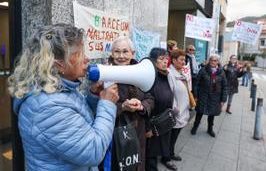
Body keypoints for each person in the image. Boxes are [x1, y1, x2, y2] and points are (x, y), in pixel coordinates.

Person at [7, 24, 119, 170]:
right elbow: (93, 151)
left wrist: (92, 97)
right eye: (79, 53)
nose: (87, 58)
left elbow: (76, 119)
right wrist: (107, 105)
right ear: (58, 64)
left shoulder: (56, 89)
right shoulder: (46, 108)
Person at [109, 36, 154, 171]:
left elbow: (150, 98)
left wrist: (141, 106)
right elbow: (100, 105)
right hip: (116, 130)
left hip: (138, 129)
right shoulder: (106, 73)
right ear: (112, 53)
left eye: (125, 51)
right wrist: (122, 107)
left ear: (132, 53)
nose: (121, 56)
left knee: (137, 163)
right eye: (117, 52)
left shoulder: (142, 71)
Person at [145, 48, 177, 171]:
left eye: (166, 59)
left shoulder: (166, 75)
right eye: (161, 59)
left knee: (160, 148)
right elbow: (146, 104)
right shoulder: (150, 77)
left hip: (164, 122)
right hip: (153, 124)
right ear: (153, 61)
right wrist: (148, 128)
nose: (165, 62)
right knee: (151, 154)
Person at [191, 54, 227, 137]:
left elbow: (225, 86)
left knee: (212, 114)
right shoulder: (203, 70)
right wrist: (195, 96)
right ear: (209, 61)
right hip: (203, 96)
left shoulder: (221, 72)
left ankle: (210, 129)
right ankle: (195, 127)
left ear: (218, 62)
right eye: (211, 60)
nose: (212, 62)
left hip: (215, 97)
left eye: (215, 60)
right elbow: (196, 84)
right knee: (199, 113)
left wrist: (223, 99)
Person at [167, 49, 190, 161]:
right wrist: (176, 111)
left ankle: (170, 153)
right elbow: (170, 94)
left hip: (182, 111)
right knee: (171, 136)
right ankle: (167, 157)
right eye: (181, 60)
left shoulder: (180, 73)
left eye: (184, 60)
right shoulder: (170, 73)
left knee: (174, 136)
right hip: (176, 113)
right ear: (174, 60)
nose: (184, 62)